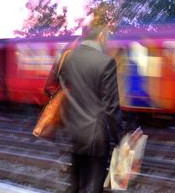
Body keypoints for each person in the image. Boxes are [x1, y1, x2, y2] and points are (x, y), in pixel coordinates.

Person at [44, 23, 124, 193]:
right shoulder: (106, 62)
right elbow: (111, 107)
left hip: (73, 132)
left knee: (76, 184)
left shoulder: (68, 57)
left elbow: (48, 88)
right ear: (101, 36)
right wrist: (120, 138)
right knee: (95, 186)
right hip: (96, 136)